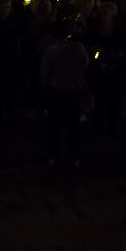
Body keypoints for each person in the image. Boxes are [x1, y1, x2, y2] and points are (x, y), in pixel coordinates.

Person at [40, 20, 89, 167]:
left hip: (56, 90)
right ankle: (74, 157)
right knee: (73, 126)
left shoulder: (50, 50)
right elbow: (85, 65)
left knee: (54, 125)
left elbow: (44, 75)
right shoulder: (79, 48)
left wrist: (44, 92)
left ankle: (52, 156)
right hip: (74, 91)